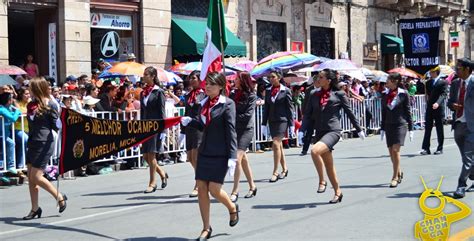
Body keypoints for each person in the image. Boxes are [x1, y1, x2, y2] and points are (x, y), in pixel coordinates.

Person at [180, 72, 239, 241]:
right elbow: (202, 125)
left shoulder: (227, 104)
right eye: (207, 84)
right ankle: (206, 227)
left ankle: (232, 207)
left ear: (221, 87)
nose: (207, 87)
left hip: (221, 152)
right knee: (202, 188)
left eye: (212, 85)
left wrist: (233, 156)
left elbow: (231, 131)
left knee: (214, 189)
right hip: (205, 151)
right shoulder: (203, 103)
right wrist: (190, 122)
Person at [302, 69, 365, 203]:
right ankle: (338, 192)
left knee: (314, 151)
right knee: (329, 165)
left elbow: (349, 112)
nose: (317, 80)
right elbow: (307, 114)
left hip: (333, 131)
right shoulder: (313, 94)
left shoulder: (339, 94)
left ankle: (322, 180)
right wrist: (302, 129)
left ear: (328, 81)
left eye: (320, 77)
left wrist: (359, 129)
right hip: (319, 132)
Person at [23, 77, 67, 220]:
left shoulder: (50, 105)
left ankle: (59, 196)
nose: (29, 90)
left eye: (31, 88)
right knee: (31, 178)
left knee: (36, 176)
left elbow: (57, 126)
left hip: (44, 142)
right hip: (32, 141)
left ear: (38, 89)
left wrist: (60, 117)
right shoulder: (30, 105)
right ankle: (35, 209)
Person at [380, 73, 413, 188]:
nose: (386, 82)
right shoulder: (385, 94)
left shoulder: (403, 94)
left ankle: (395, 177)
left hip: (400, 124)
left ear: (395, 81)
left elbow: (408, 111)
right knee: (391, 153)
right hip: (389, 124)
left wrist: (411, 127)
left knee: (395, 150)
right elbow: (383, 112)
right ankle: (399, 171)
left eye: (388, 80)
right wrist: (382, 127)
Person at [229, 71, 258, 202]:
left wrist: (232, 117)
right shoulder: (233, 94)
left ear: (243, 80)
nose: (234, 80)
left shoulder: (252, 96)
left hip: (246, 130)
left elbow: (247, 115)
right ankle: (252, 186)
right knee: (243, 160)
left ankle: (235, 191)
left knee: (237, 159)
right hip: (234, 130)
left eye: (237, 79)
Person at [447, 58, 474, 199]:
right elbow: (449, 102)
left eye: (459, 68)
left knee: (468, 158)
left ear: (467, 69)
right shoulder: (455, 83)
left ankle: (461, 186)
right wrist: (453, 105)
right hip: (458, 124)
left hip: (472, 125)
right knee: (465, 157)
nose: (456, 71)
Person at [262, 70, 294, 182]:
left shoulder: (286, 91)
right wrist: (263, 124)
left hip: (282, 121)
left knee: (275, 144)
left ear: (279, 77)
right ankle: (285, 169)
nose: (270, 79)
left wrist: (291, 125)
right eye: (269, 77)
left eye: (273, 77)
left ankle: (275, 172)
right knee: (278, 146)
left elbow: (290, 108)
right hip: (272, 121)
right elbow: (266, 108)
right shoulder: (268, 90)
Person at [140, 67, 169, 193]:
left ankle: (152, 183)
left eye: (146, 75)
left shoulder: (159, 92)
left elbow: (162, 112)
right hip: (145, 127)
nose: (144, 77)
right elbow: (142, 111)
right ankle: (162, 173)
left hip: (155, 127)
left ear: (152, 76)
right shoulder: (143, 92)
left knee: (151, 155)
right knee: (145, 155)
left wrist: (163, 130)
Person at [184, 70, 206, 197]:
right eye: (190, 78)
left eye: (194, 78)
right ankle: (202, 176)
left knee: (196, 157)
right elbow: (187, 112)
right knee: (190, 158)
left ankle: (198, 185)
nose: (191, 80)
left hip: (198, 128)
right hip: (189, 128)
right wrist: (182, 130)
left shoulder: (203, 94)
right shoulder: (189, 95)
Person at [420, 66, 448, 155]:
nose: (431, 74)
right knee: (428, 128)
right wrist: (422, 83)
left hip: (438, 108)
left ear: (437, 72)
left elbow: (443, 94)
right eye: (430, 72)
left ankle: (440, 148)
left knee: (439, 128)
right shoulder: (428, 83)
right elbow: (427, 94)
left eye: (432, 72)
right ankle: (426, 148)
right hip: (430, 108)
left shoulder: (443, 82)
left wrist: (438, 103)